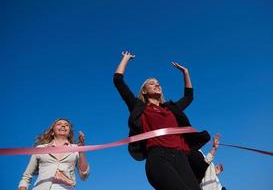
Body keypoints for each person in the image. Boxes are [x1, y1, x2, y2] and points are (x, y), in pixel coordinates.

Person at [113, 51, 211, 190]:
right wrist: (126, 58)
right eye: (152, 84)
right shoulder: (139, 107)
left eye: (158, 83)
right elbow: (118, 80)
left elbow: (189, 97)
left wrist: (186, 72)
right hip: (158, 158)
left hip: (182, 159)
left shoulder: (171, 109)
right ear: (144, 91)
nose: (157, 85)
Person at [18, 118, 90, 190]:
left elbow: (84, 175)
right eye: (59, 124)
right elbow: (26, 176)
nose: (63, 126)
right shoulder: (40, 149)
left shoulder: (76, 149)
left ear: (69, 133)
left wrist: (81, 150)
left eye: (66, 125)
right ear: (52, 132)